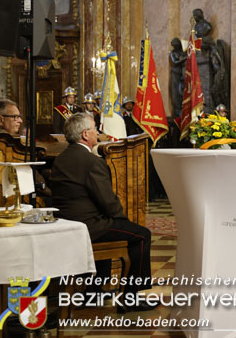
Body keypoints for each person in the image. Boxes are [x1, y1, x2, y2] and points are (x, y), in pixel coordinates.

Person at [50, 113, 154, 311]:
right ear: (85, 134)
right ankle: (131, 298)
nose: (98, 132)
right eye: (95, 129)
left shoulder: (61, 159)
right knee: (142, 235)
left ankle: (94, 292)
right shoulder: (92, 161)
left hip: (67, 224)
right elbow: (107, 201)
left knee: (109, 222)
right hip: (89, 226)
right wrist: (123, 219)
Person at [169, 37, 187, 118]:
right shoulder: (173, 53)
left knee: (183, 91)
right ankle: (177, 110)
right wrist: (185, 58)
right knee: (176, 93)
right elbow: (175, 61)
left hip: (183, 73)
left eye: (177, 45)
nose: (176, 47)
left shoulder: (183, 52)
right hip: (176, 73)